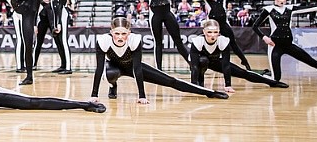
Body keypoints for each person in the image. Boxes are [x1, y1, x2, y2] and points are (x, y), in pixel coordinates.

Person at [89, 17, 228, 103]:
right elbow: (99, 68)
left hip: (131, 66)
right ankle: (113, 87)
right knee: (110, 74)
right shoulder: (103, 41)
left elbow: (137, 69)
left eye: (123, 33)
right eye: (117, 33)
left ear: (129, 33)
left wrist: (142, 96)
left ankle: (210, 92)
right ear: (111, 32)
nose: (120, 37)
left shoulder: (135, 40)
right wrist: (94, 95)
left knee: (171, 81)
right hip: (113, 67)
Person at [190, 20, 288, 93]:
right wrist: (193, 85)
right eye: (209, 32)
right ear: (204, 32)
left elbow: (226, 65)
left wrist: (228, 85)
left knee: (243, 73)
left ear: (219, 32)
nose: (212, 35)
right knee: (203, 60)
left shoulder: (223, 41)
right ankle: (199, 82)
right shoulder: (197, 41)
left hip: (215, 61)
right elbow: (194, 66)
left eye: (215, 32)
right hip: (199, 62)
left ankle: (272, 82)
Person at [0, 0, 49, 85]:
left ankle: (29, 76)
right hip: (16, 11)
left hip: (29, 11)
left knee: (28, 44)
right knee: (21, 42)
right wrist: (10, 4)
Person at [191, 0, 252, 70]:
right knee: (211, 42)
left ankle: (244, 61)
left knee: (233, 43)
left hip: (223, 23)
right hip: (212, 24)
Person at [34, 0, 72, 74]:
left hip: (61, 16)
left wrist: (58, 23)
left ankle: (68, 68)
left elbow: (61, 6)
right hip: (55, 16)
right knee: (59, 42)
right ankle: (63, 65)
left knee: (63, 42)